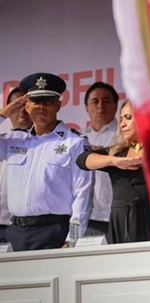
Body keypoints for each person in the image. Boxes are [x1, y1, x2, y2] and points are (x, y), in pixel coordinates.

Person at [0, 73, 94, 251]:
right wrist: (4, 113)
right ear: (26, 106)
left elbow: (83, 197)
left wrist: (72, 241)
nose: (41, 107)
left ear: (58, 105)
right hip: (15, 233)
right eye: (36, 101)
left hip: (54, 232)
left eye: (48, 101)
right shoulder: (14, 140)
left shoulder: (74, 142)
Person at [76, 101, 150, 244]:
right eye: (121, 119)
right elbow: (82, 160)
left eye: (129, 117)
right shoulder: (118, 152)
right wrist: (114, 161)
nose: (123, 124)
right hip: (119, 223)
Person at [81, 81, 121, 239]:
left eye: (106, 101)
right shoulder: (78, 137)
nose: (100, 106)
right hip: (84, 217)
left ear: (116, 105)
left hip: (113, 214)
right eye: (94, 101)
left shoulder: (125, 134)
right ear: (86, 107)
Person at [0, 87, 32, 244]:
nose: (22, 110)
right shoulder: (3, 140)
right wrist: (3, 113)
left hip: (23, 226)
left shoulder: (44, 140)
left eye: (26, 105)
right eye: (16, 105)